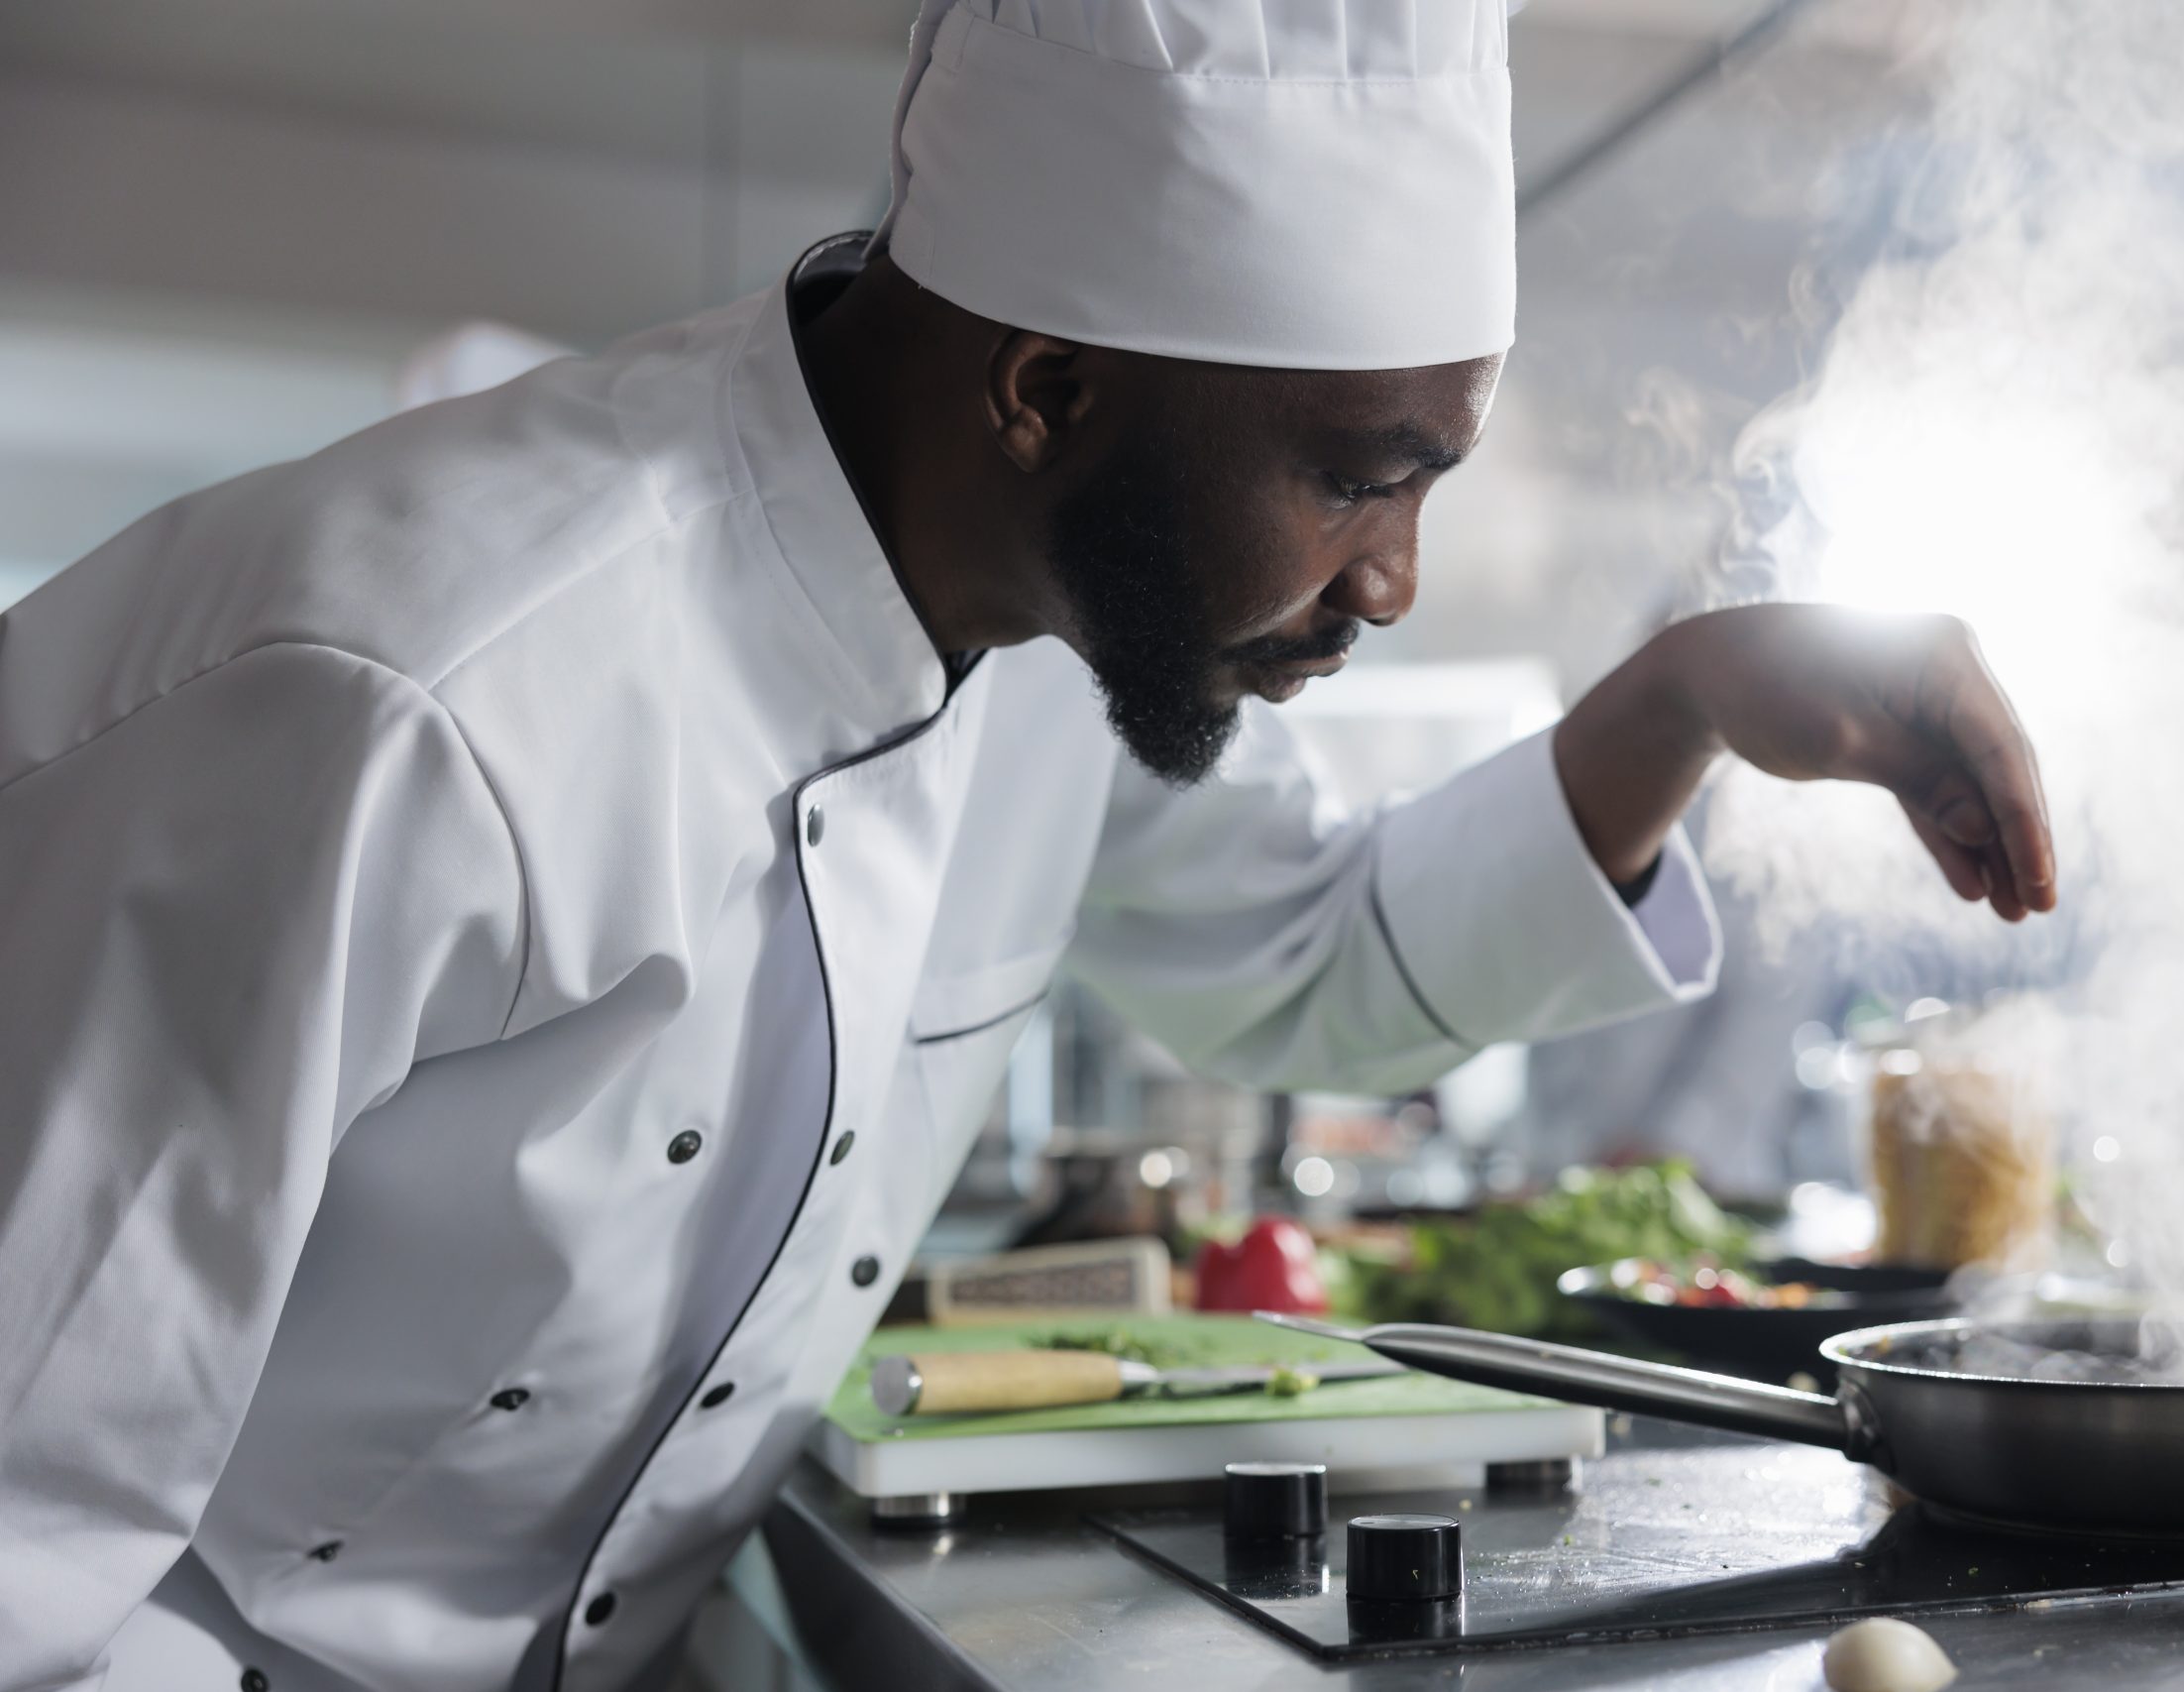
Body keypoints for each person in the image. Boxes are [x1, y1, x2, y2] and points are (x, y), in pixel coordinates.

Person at [0, 3, 2054, 1687]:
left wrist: (1685, 692)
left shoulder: (1054, 630)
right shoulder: (399, 701)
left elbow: (1319, 960)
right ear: (1047, 385)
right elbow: (25, 1537)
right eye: (1358, 479)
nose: (1393, 580)